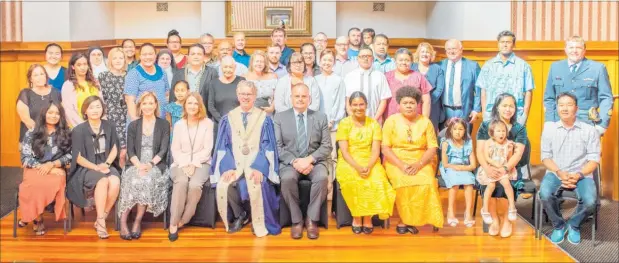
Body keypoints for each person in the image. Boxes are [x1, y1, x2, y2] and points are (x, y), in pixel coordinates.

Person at [211, 81, 281, 237]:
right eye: (242, 94)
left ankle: (259, 220)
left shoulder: (264, 118)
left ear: (255, 96)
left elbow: (267, 146)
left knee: (258, 182)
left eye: (249, 94)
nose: (245, 97)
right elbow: (224, 146)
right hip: (235, 164)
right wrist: (228, 167)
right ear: (237, 95)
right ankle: (240, 214)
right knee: (225, 183)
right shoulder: (228, 118)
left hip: (255, 164)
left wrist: (259, 167)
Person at [539, 92, 600, 245]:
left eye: (569, 105)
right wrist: (560, 173)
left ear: (577, 108)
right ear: (557, 108)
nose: (564, 109)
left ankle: (573, 224)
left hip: (582, 174)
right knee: (545, 194)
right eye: (561, 105)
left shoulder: (589, 130)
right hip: (555, 172)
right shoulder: (549, 130)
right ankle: (559, 225)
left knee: (591, 201)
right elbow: (545, 157)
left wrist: (578, 175)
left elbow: (594, 160)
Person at [274, 83, 332, 240]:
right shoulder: (280, 117)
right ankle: (297, 220)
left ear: (309, 99)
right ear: (291, 98)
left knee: (321, 178)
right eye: (297, 96)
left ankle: (312, 220)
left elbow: (327, 146)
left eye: (304, 96)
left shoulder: (320, 117)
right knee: (287, 178)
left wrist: (309, 160)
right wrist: (295, 162)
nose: (300, 99)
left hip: (314, 161)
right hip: (290, 162)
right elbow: (277, 147)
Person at [382, 86, 443, 234]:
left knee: (427, 182)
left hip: (422, 160)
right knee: (403, 182)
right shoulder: (391, 121)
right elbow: (385, 148)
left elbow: (432, 148)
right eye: (405, 103)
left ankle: (416, 219)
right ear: (399, 105)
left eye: (412, 103)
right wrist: (401, 165)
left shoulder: (425, 122)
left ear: (418, 104)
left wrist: (419, 164)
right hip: (396, 160)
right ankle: (404, 220)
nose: (409, 105)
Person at [336, 91, 395, 234]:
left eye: (361, 104)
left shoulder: (374, 124)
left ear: (366, 105)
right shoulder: (344, 123)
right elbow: (344, 151)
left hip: (370, 160)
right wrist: (357, 167)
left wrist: (368, 166)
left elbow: (375, 151)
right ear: (349, 106)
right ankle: (357, 217)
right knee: (355, 180)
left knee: (376, 179)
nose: (358, 108)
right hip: (349, 161)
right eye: (354, 104)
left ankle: (367, 217)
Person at [117, 92, 171, 240]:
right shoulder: (133, 125)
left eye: (151, 103)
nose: (147, 106)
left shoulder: (164, 124)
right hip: (135, 163)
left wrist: (150, 164)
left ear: (156, 105)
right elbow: (130, 150)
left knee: (146, 180)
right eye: (144, 103)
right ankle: (123, 222)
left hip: (156, 164)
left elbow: (164, 149)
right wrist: (139, 165)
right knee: (132, 179)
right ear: (140, 106)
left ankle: (137, 221)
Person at [476, 93, 530, 238]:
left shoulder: (519, 128)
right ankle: (494, 219)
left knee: (508, 182)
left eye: (511, 106)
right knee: (489, 183)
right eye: (504, 105)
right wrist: (488, 168)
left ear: (515, 109)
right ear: (497, 107)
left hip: (509, 166)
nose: (508, 109)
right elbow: (480, 151)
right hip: (488, 165)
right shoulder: (486, 125)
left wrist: (504, 168)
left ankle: (507, 220)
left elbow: (517, 155)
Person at [67, 96, 121, 239]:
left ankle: (101, 216)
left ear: (102, 108)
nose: (95, 110)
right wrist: (96, 168)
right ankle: (102, 222)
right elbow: (77, 157)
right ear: (85, 111)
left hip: (106, 162)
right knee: (102, 181)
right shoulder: (78, 130)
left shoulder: (110, 125)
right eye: (91, 107)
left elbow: (115, 147)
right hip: (87, 166)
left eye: (98, 106)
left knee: (115, 182)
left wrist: (107, 164)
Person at [18, 101, 71, 236]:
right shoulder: (32, 132)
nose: (53, 116)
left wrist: (53, 165)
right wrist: (44, 167)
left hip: (57, 168)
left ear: (61, 116)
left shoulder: (66, 132)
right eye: (50, 112)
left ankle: (29, 215)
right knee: (32, 185)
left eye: (57, 113)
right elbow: (25, 157)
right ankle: (37, 219)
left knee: (51, 182)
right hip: (35, 169)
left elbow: (71, 155)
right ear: (44, 114)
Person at [543, 35, 613, 136]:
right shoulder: (555, 67)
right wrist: (549, 121)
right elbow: (549, 98)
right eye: (571, 47)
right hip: (560, 123)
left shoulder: (597, 68)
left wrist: (601, 125)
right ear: (565, 50)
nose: (574, 51)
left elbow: (606, 98)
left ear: (584, 50)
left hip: (588, 124)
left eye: (578, 48)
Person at [168, 92, 214, 242]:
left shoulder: (208, 123)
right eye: (189, 103)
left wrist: (194, 164)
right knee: (181, 182)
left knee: (194, 185)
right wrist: (185, 164)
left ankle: (185, 218)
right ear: (185, 105)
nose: (192, 106)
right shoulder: (179, 124)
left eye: (195, 103)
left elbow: (207, 149)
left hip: (202, 163)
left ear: (200, 106)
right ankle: (174, 222)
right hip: (180, 163)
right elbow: (175, 149)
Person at [478, 30, 534, 126]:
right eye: (502, 42)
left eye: (508, 42)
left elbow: (529, 92)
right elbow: (483, 91)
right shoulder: (488, 65)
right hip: (491, 115)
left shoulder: (523, 66)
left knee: (514, 141)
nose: (505, 45)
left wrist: (524, 115)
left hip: (516, 116)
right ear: (498, 44)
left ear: (513, 45)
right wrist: (484, 114)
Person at [314, 49, 346, 199]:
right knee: (320, 156)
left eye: (330, 60)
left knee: (332, 156)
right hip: (317, 124)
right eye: (324, 60)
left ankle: (331, 191)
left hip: (334, 124)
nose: (327, 63)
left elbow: (340, 103)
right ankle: (321, 188)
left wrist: (333, 119)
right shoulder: (315, 79)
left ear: (334, 63)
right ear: (320, 61)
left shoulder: (338, 80)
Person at [477, 119, 518, 224]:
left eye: (503, 131)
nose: (502, 133)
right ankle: (485, 209)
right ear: (492, 132)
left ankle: (512, 207)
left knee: (506, 183)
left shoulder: (508, 143)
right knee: (491, 186)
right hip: (491, 167)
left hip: (503, 169)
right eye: (498, 131)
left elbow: (509, 159)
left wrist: (509, 151)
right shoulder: (488, 143)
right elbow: (486, 157)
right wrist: (495, 165)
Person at [439, 118, 477, 228]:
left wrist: (463, 168)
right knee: (454, 184)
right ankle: (451, 211)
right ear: (450, 130)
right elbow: (445, 164)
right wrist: (456, 167)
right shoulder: (446, 143)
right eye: (455, 129)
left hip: (465, 168)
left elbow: (473, 165)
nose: (457, 131)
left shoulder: (468, 143)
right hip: (450, 168)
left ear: (465, 131)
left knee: (469, 183)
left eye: (461, 129)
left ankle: (468, 213)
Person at [439, 39, 482, 130]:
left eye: (454, 48)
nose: (451, 51)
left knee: (464, 140)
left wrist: (476, 110)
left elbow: (479, 91)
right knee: (444, 141)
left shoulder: (473, 66)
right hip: (444, 112)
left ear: (461, 49)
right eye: (448, 49)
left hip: (464, 111)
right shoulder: (439, 65)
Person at [17, 64, 62, 142]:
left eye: (42, 74)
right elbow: (27, 120)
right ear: (31, 78)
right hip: (31, 139)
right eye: (36, 75)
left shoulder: (56, 92)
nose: (40, 77)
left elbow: (61, 116)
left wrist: (52, 138)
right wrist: (45, 137)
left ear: (46, 76)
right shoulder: (25, 94)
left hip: (54, 140)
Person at [99, 47, 128, 167]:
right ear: (109, 60)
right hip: (110, 116)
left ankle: (123, 177)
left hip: (127, 115)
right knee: (111, 149)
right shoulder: (103, 76)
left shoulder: (130, 76)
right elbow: (101, 98)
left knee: (124, 151)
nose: (118, 60)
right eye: (115, 58)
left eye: (121, 58)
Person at [124, 43, 170, 121]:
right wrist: (136, 121)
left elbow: (166, 95)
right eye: (144, 54)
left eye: (150, 54)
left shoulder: (162, 71)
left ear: (155, 56)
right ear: (140, 56)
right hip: (140, 121)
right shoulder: (133, 73)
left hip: (160, 121)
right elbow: (130, 100)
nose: (148, 57)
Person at [344, 47, 391, 122]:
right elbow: (347, 101)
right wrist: (354, 119)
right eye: (362, 56)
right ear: (358, 58)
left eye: (368, 56)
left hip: (375, 121)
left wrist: (374, 120)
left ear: (372, 58)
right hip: (354, 122)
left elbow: (383, 100)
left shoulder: (380, 76)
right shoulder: (349, 76)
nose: (366, 59)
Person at [383, 48, 431, 120]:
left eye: (407, 60)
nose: (404, 63)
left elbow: (426, 101)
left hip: (415, 121)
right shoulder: (387, 77)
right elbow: (382, 101)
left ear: (412, 61)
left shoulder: (419, 76)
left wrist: (424, 121)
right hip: (391, 120)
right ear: (395, 61)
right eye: (401, 60)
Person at [61, 53, 104, 128]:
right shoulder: (68, 85)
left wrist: (101, 124)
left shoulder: (95, 82)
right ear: (73, 67)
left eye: (85, 64)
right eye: (79, 65)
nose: (83, 67)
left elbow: (101, 103)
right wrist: (85, 128)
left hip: (97, 126)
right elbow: (69, 112)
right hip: (78, 127)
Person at [411, 42, 445, 134]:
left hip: (433, 105)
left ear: (431, 55)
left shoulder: (437, 68)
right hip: (414, 104)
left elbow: (439, 88)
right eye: (422, 51)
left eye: (427, 52)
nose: (425, 54)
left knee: (430, 131)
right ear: (418, 53)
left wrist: (428, 101)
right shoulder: (411, 67)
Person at [208, 56, 246, 129]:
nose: (228, 70)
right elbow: (210, 106)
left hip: (238, 124)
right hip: (219, 124)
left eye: (230, 67)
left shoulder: (241, 81)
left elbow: (245, 101)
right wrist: (222, 120)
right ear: (221, 67)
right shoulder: (213, 83)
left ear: (235, 67)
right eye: (225, 67)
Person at [245, 50, 278, 114]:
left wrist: (272, 108)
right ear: (252, 62)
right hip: (250, 114)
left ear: (265, 64)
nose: (259, 64)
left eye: (262, 62)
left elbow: (277, 96)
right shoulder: (245, 78)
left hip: (269, 114)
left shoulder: (273, 76)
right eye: (257, 61)